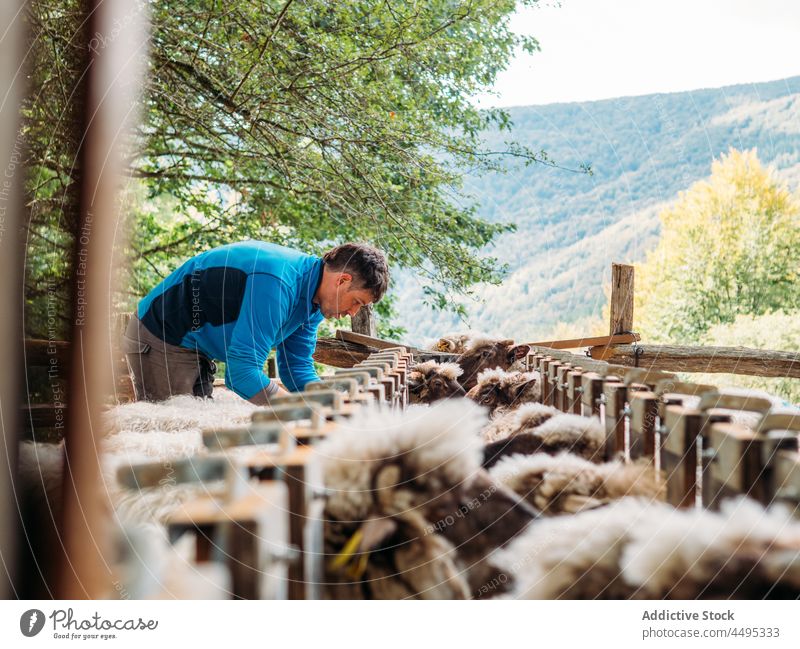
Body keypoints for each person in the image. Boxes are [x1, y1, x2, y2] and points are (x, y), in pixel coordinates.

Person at [123, 241, 389, 404]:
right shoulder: (277, 284)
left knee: (195, 431)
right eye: (357, 302)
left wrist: (331, 402)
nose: (354, 313)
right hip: (161, 335)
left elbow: (296, 370)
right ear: (342, 281)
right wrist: (295, 412)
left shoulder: (313, 303)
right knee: (175, 431)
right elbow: (241, 375)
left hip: (196, 347)